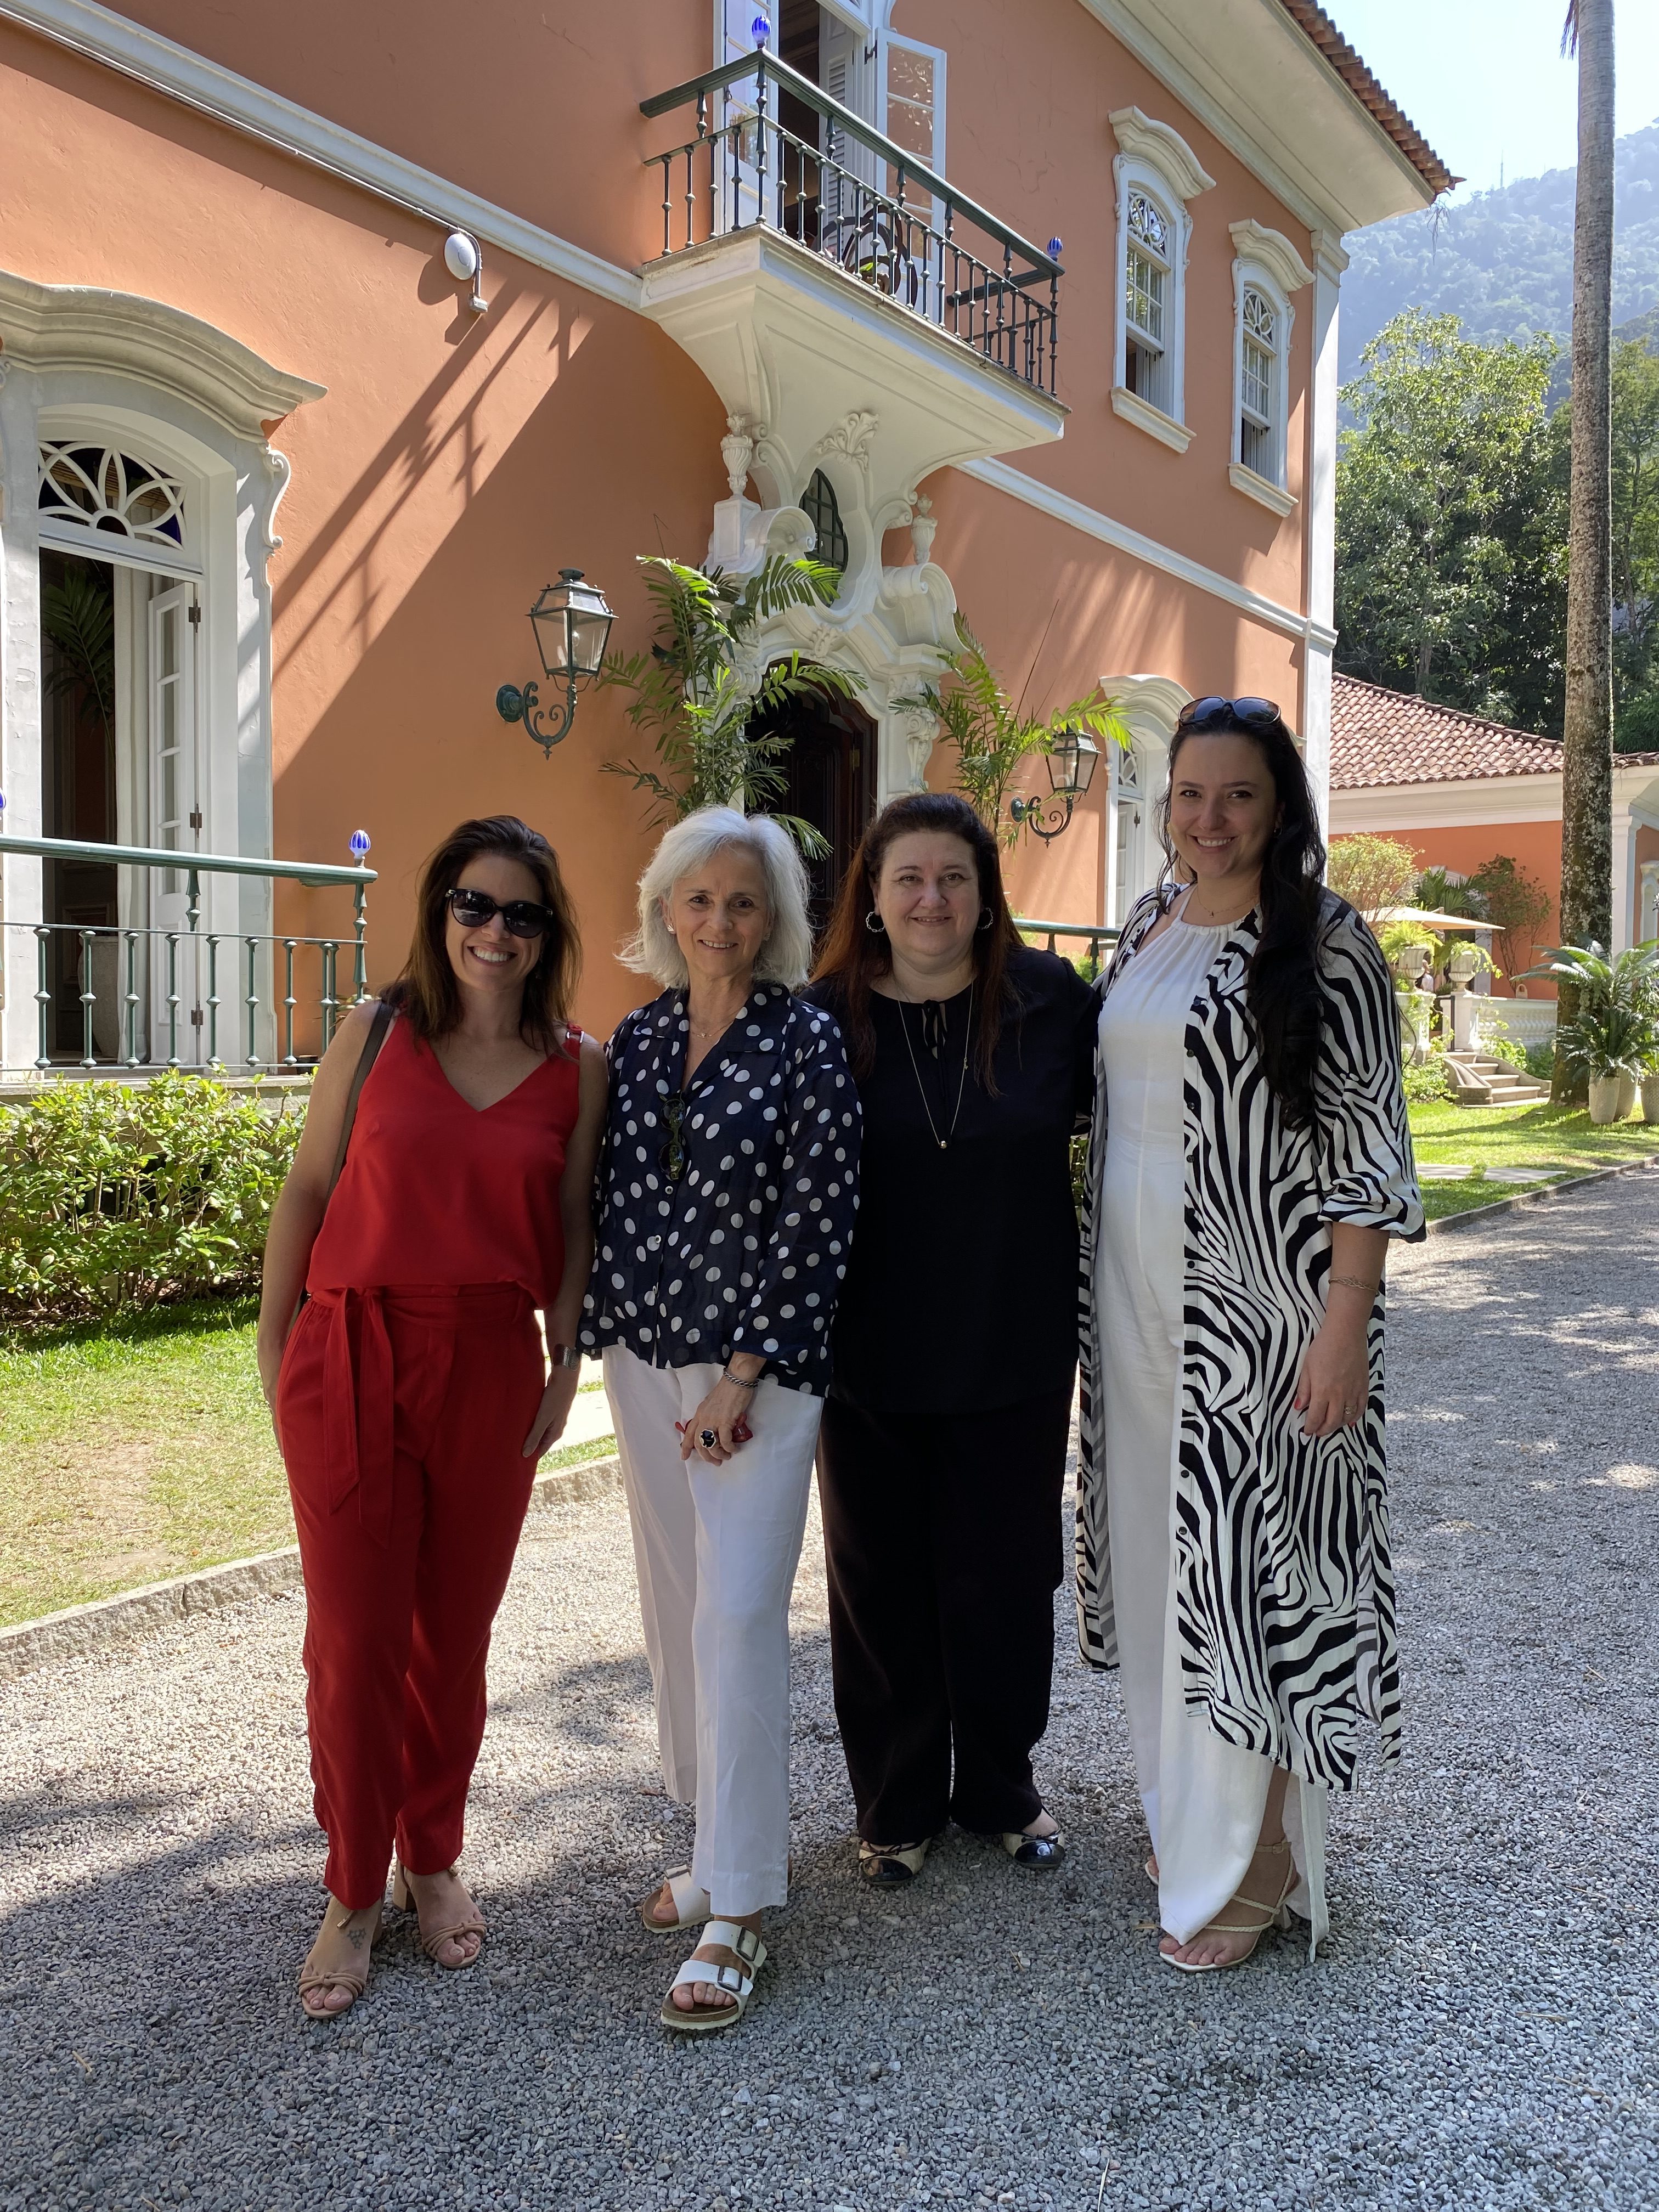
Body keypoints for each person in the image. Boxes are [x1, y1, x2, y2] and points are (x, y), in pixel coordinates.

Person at [1076, 697, 1423, 1973]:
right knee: (1166, 1557)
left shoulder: (1326, 944)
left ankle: (1266, 1856)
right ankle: (1191, 1808)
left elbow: (1369, 1153)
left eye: (1237, 795)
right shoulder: (1144, 926)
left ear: (1280, 810)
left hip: (1266, 1312)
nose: (1210, 819)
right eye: (1189, 795)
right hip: (1129, 1299)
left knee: (1261, 1570)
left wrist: (1345, 1325)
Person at [258, 815, 606, 2019]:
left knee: (450, 1641)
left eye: (521, 913)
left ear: (547, 932)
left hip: (490, 1363)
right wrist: (275, 1347)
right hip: (351, 1347)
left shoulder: (578, 1066)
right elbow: (309, 1189)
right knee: (354, 1642)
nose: (494, 932)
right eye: (474, 904)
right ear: (439, 908)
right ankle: (353, 1888)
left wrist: (566, 1366)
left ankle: (433, 1856)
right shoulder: (375, 1031)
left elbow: (570, 1223)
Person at [580, 806, 860, 2035]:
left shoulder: (805, 1041)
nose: (719, 922)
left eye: (744, 901)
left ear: (776, 921)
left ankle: (739, 1907)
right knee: (676, 1604)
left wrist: (743, 1375)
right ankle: (711, 1840)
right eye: (698, 899)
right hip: (646, 1362)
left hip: (758, 1376)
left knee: (741, 1612)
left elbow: (821, 1212)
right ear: (664, 911)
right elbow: (610, 1196)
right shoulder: (637, 1042)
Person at [804, 792, 1096, 1886]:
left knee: (1006, 1577)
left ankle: (1002, 1790)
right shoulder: (821, 1017)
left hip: (1012, 1344)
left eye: (954, 880)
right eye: (909, 879)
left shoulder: (1050, 1002)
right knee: (878, 1585)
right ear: (873, 897)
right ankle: (897, 1802)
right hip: (866, 1352)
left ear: (985, 897)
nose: (932, 899)